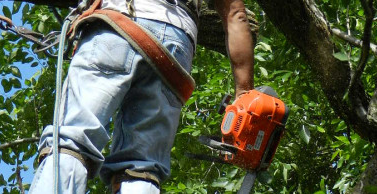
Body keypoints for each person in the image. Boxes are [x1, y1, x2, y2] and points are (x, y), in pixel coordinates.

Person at [28, 0, 254, 193]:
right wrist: (244, 96)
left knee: (72, 141)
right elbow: (236, 15)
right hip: (175, 45)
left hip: (119, 23)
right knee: (142, 167)